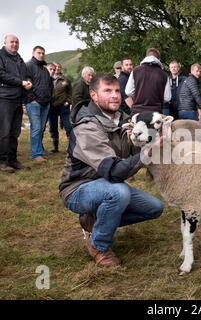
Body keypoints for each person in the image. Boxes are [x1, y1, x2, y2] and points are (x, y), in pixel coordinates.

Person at [59, 72, 164, 267]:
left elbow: (131, 154)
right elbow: (114, 170)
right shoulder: (87, 127)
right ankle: (98, 245)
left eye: (117, 90)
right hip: (79, 188)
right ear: (94, 95)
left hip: (108, 184)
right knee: (119, 192)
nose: (115, 95)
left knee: (154, 208)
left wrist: (144, 141)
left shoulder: (124, 120)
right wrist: (146, 154)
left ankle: (95, 221)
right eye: (107, 91)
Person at [0, 34, 32, 173]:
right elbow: (1, 74)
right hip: (5, 98)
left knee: (15, 132)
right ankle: (2, 161)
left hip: (18, 99)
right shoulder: (1, 56)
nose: (14, 44)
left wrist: (28, 81)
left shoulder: (19, 58)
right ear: (5, 43)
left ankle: (12, 159)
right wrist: (20, 82)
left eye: (17, 42)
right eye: (12, 42)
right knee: (4, 132)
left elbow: (25, 75)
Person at [25, 45, 53, 161]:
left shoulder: (44, 69)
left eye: (43, 53)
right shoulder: (28, 66)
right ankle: (35, 154)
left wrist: (48, 98)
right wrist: (33, 99)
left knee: (41, 129)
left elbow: (49, 85)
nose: (41, 55)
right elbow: (26, 84)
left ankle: (39, 151)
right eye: (39, 53)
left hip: (45, 103)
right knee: (36, 129)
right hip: (34, 103)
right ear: (33, 53)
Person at [124, 48, 171, 116]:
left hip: (137, 113)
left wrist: (139, 95)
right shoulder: (164, 75)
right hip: (156, 114)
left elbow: (128, 91)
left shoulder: (135, 71)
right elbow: (167, 98)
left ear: (146, 57)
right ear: (159, 59)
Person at [48, 62, 73, 153]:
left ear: (61, 69)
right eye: (56, 67)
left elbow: (70, 92)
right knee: (53, 127)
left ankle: (72, 147)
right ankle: (55, 148)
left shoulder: (65, 79)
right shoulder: (48, 79)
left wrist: (68, 102)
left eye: (59, 67)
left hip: (63, 106)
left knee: (68, 126)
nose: (57, 68)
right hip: (51, 107)